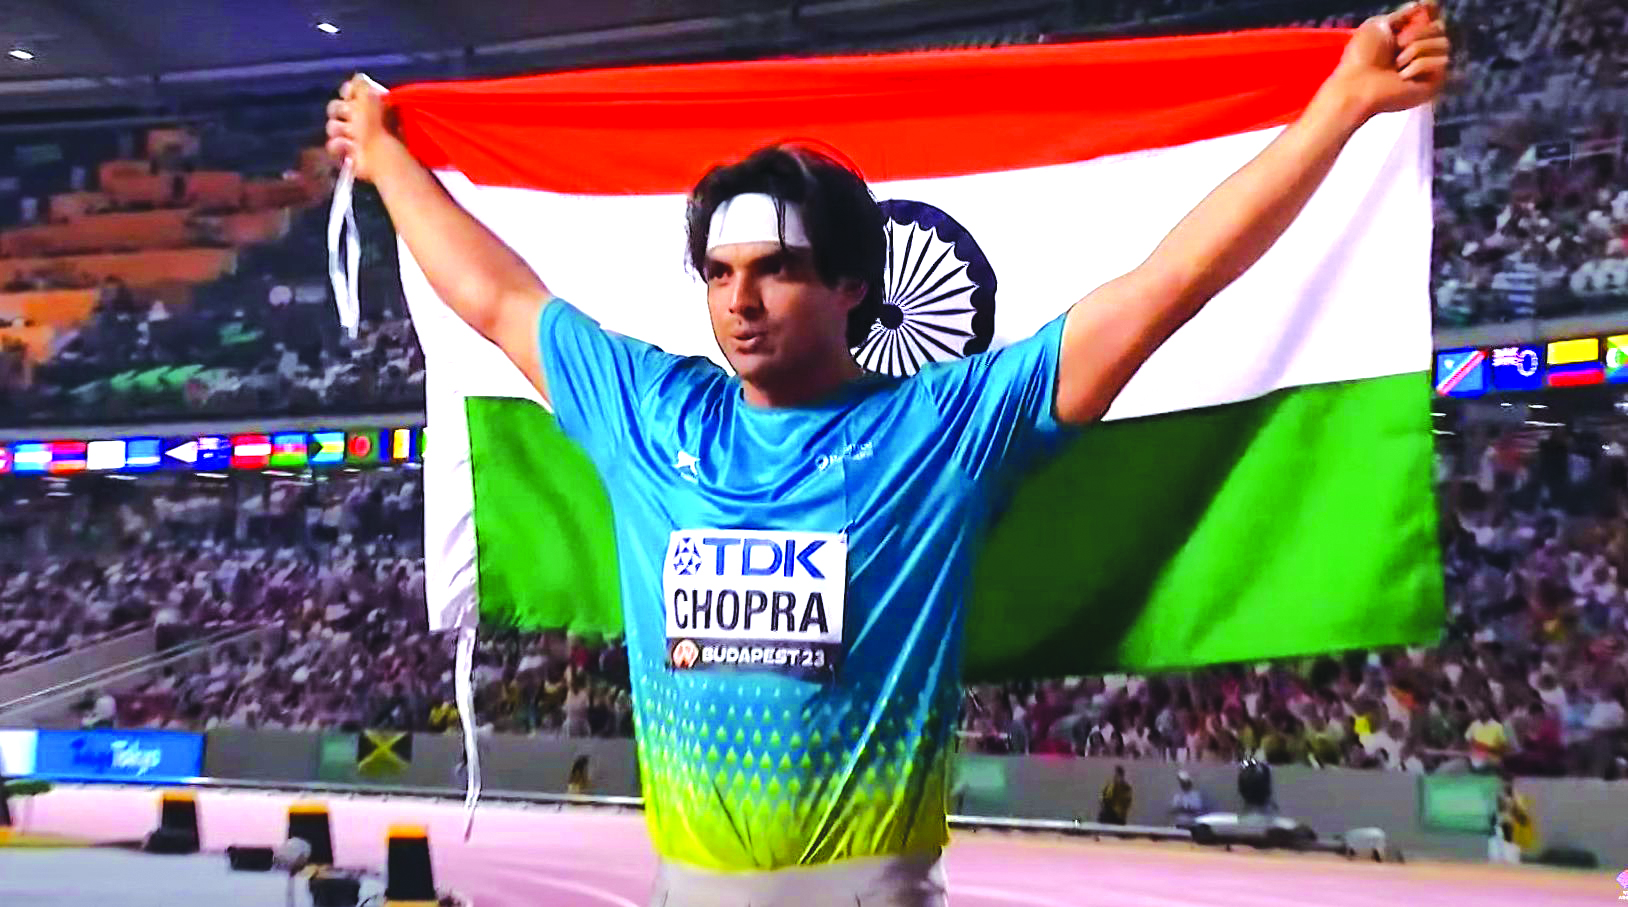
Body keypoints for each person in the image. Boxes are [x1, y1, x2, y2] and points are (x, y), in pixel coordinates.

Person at [323, 6, 1448, 904]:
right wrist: (381, 161)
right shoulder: (647, 411)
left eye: (777, 270)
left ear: (854, 285)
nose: (740, 302)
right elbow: (495, 294)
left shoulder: (943, 428)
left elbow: (1163, 288)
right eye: (717, 275)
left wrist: (1337, 109)